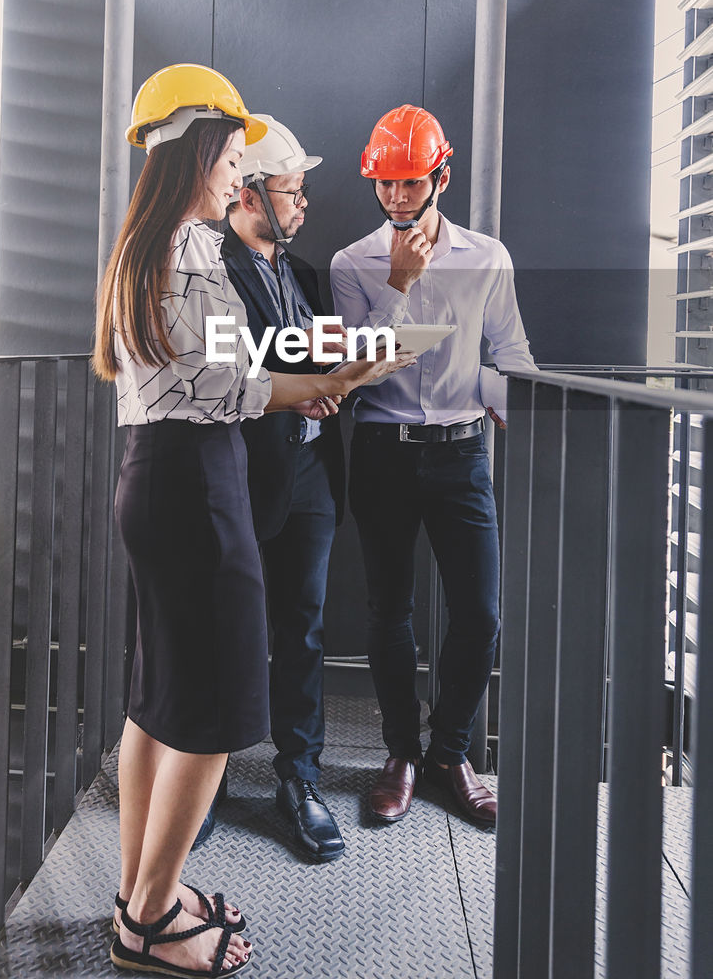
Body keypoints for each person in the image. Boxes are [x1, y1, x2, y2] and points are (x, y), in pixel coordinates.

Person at [93, 64, 413, 977]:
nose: (241, 176)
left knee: (158, 704)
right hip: (196, 485)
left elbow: (228, 366)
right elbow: (243, 382)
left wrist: (327, 367)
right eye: (235, 157)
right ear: (198, 147)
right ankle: (151, 922)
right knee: (209, 715)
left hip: (159, 477)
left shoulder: (144, 244)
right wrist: (352, 373)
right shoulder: (192, 248)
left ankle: (138, 895)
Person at [330, 104, 536, 828]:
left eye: (409, 182)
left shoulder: (487, 257)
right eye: (383, 184)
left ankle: (449, 753)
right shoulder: (351, 263)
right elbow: (353, 366)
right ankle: (399, 756)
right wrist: (396, 283)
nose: (395, 197)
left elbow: (509, 352)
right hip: (384, 452)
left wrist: (504, 397)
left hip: (459, 454)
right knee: (389, 611)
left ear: (439, 176)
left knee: (479, 614)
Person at [221, 115, 347, 862]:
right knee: (225, 631)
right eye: (290, 191)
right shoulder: (208, 268)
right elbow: (218, 363)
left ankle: (298, 778)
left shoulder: (302, 276)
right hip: (239, 473)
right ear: (247, 193)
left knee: (301, 627)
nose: (302, 206)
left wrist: (343, 376)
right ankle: (205, 783)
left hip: (310, 473)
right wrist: (292, 385)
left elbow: (309, 355)